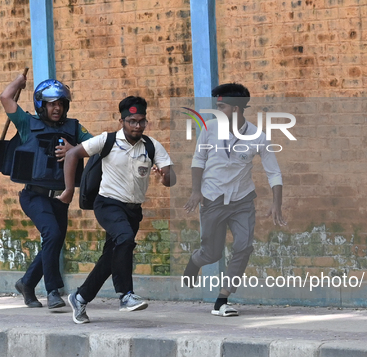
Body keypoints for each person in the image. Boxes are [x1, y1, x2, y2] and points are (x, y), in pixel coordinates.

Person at [57, 96, 176, 324]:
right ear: (121, 120)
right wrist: (69, 189)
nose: (137, 126)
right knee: (125, 239)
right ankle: (125, 295)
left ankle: (80, 297)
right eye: (132, 121)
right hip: (108, 203)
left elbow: (170, 177)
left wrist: (165, 176)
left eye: (141, 121)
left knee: (111, 257)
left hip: (133, 210)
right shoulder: (107, 140)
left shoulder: (151, 146)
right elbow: (72, 154)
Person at [182, 83, 287, 317]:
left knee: (243, 246)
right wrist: (196, 192)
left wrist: (276, 203)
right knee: (212, 254)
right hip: (212, 198)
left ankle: (223, 299)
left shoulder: (258, 137)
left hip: (242, 200)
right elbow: (198, 160)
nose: (217, 110)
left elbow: (274, 172)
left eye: (222, 106)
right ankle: (195, 261)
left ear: (237, 109)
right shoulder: (209, 129)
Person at [0, 74, 92, 309]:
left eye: (61, 103)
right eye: (52, 104)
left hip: (60, 198)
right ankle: (53, 291)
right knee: (51, 234)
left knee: (54, 241)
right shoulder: (26, 123)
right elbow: (5, 97)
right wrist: (19, 82)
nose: (57, 108)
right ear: (42, 105)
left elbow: (96, 145)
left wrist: (75, 149)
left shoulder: (73, 127)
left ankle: (27, 283)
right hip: (34, 195)